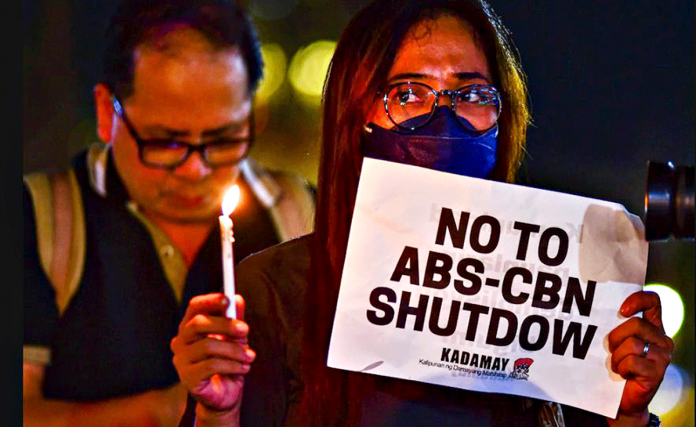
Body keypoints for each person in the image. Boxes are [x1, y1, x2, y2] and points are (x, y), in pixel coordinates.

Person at [170, 0, 673, 426]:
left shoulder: (567, 290)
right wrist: (220, 413)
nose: (443, 118)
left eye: (473, 93)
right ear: (357, 115)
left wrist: (626, 412)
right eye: (408, 94)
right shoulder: (274, 292)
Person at [22, 0, 315, 425]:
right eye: (166, 142)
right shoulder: (40, 219)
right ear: (108, 113)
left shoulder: (301, 215)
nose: (196, 170)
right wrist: (174, 409)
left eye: (223, 138)